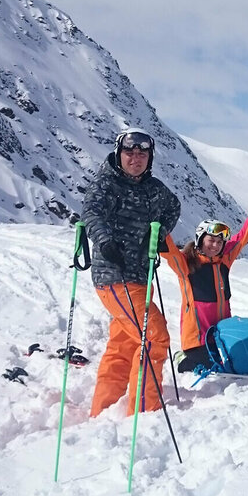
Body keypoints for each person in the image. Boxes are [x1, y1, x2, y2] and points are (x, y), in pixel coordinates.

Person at [82, 127, 180, 417]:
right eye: (129, 152)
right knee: (154, 335)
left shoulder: (154, 189)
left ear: (149, 157)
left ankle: (104, 410)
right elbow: (90, 212)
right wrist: (104, 240)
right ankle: (145, 411)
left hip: (140, 276)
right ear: (118, 153)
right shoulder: (106, 184)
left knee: (124, 343)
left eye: (142, 153)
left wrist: (160, 231)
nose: (135, 158)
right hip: (113, 275)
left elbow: (173, 207)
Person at [161, 185, 248, 372]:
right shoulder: (185, 264)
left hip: (223, 334)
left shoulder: (224, 260)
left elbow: (244, 236)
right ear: (200, 240)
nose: (215, 245)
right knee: (216, 367)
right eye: (211, 240)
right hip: (197, 339)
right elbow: (169, 251)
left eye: (219, 242)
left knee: (241, 360)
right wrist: (159, 227)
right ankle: (183, 358)